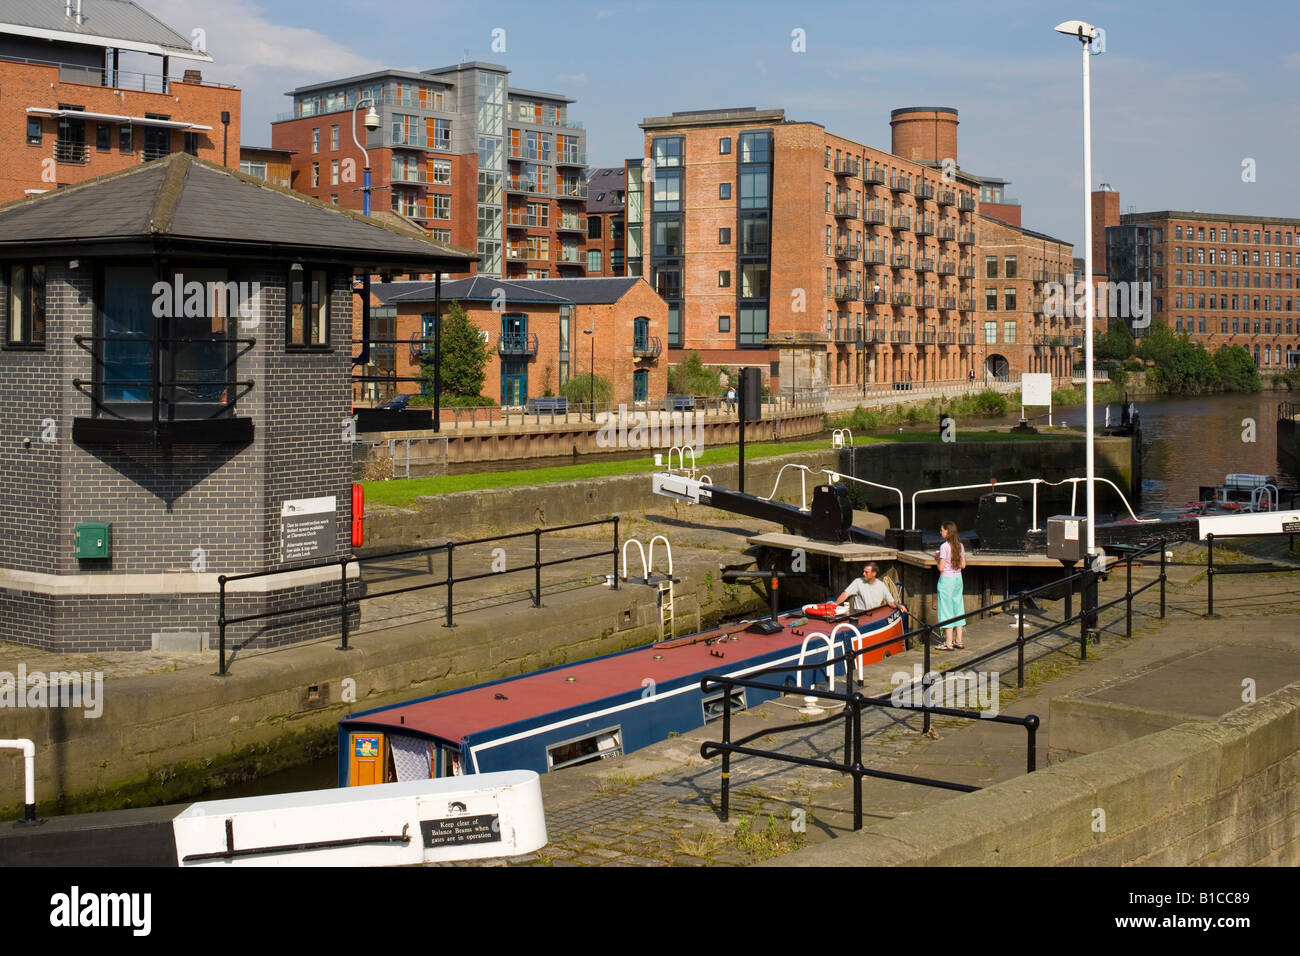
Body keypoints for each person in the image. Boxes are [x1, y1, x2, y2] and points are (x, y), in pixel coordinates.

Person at [935, 521, 966, 649]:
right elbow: (963, 565)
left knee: (946, 609)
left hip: (946, 580)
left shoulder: (944, 546)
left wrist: (936, 559)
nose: (940, 532)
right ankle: (959, 640)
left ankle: (948, 642)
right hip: (958, 578)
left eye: (942, 530)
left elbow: (941, 568)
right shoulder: (960, 545)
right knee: (958, 607)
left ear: (948, 531)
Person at [835, 563, 907, 615]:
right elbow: (845, 594)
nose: (863, 573)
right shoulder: (857, 582)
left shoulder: (881, 586)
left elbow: (891, 602)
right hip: (859, 614)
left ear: (874, 574)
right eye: (863, 571)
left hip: (874, 615)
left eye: (866, 572)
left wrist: (899, 606)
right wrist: (835, 604)